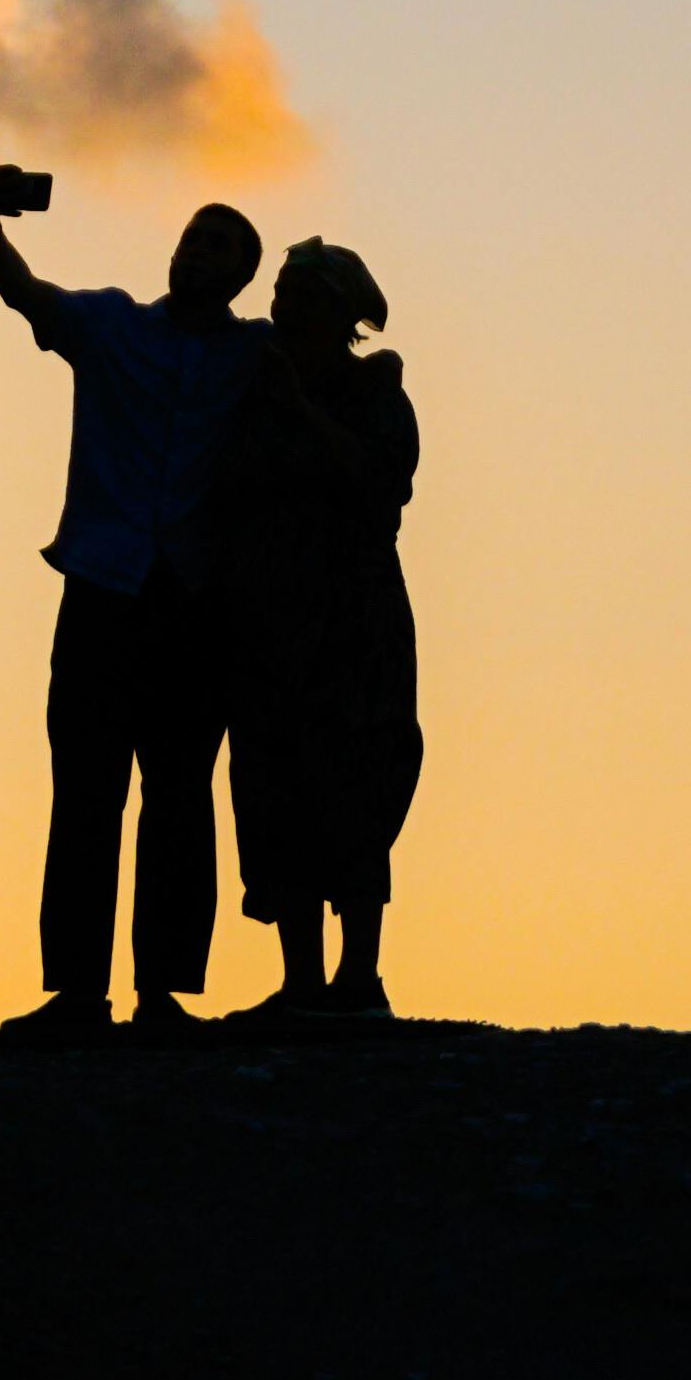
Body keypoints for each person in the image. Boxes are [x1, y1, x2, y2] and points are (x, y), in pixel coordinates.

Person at [0, 164, 270, 1044]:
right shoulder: (109, 323)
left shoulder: (256, 354)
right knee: (87, 794)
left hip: (194, 603)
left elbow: (325, 351)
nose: (199, 251)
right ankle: (76, 992)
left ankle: (165, 992)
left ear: (243, 276)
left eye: (221, 245)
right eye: (193, 235)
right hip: (103, 592)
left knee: (180, 795)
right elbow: (26, 293)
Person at [222, 236, 422, 1033]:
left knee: (354, 781)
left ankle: (358, 975)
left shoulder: (376, 395)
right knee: (272, 784)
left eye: (301, 295)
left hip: (354, 618)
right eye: (281, 292)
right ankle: (301, 977)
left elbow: (377, 486)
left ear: (340, 312)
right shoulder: (253, 391)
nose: (282, 307)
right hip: (269, 615)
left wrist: (301, 412)